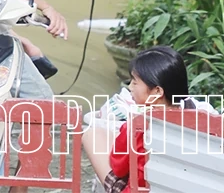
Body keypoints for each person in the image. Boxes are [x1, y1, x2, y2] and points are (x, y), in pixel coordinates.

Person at [83, 46, 203, 193]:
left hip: (139, 190)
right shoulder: (202, 120)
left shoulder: (139, 124)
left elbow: (118, 167)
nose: (130, 87)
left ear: (157, 91)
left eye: (135, 82)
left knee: (92, 135)